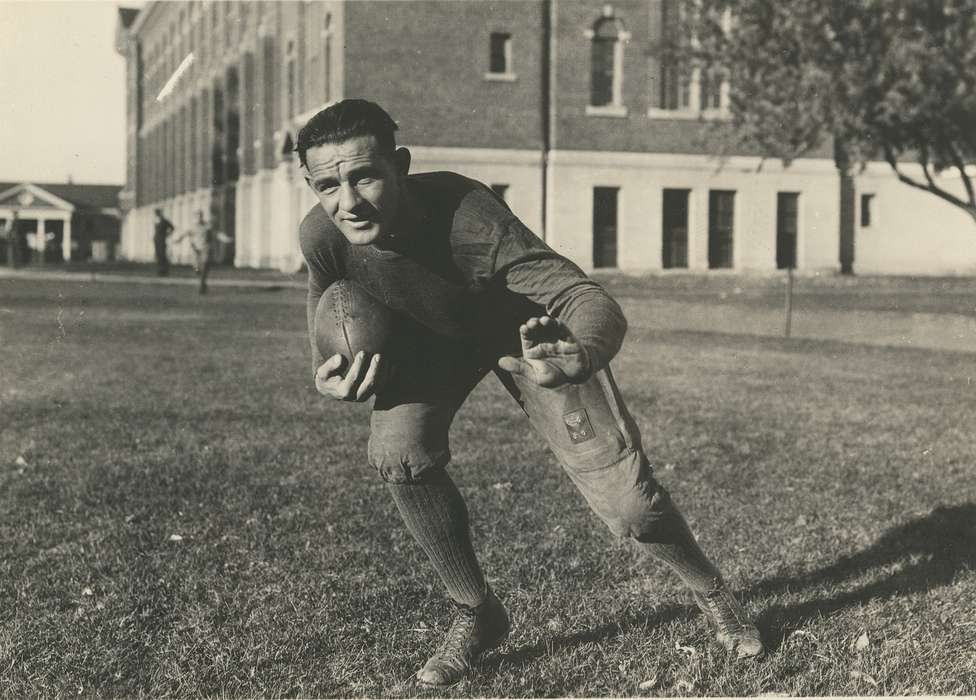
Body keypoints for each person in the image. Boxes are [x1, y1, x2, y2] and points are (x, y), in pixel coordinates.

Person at [297, 99, 765, 687]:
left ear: (401, 165)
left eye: (364, 176)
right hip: (430, 346)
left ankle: (713, 591)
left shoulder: (471, 219)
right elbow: (325, 301)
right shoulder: (322, 233)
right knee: (400, 454)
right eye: (327, 185)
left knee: (631, 507)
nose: (348, 201)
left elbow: (586, 297)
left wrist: (581, 352)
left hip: (525, 338)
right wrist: (326, 368)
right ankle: (477, 613)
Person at [171, 210, 230, 294]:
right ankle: (199, 274)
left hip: (205, 248)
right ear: (194, 218)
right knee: (196, 267)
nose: (199, 218)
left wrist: (225, 239)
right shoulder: (192, 227)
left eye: (200, 216)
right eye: (197, 216)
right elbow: (184, 234)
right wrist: (177, 240)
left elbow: (217, 234)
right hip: (195, 250)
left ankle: (202, 283)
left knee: (205, 264)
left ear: (202, 217)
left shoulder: (207, 226)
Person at [153, 208, 175, 276]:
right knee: (158, 255)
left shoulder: (164, 221)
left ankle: (164, 271)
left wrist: (167, 234)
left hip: (162, 240)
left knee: (162, 255)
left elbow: (172, 227)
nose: (157, 215)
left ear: (160, 213)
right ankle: (160, 270)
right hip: (156, 239)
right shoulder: (156, 221)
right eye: (156, 214)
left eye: (157, 213)